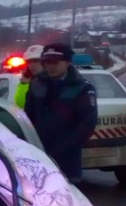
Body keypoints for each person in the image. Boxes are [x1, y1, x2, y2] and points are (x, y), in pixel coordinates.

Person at [24, 42, 97, 184]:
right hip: (39, 157)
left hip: (67, 162)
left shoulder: (82, 88)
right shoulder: (37, 84)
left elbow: (87, 124)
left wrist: (62, 149)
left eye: (55, 62)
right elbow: (28, 117)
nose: (50, 67)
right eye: (46, 62)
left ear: (67, 63)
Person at [14, 45, 44, 109]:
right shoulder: (30, 81)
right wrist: (24, 84)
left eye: (36, 60)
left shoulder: (54, 79)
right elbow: (21, 104)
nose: (32, 65)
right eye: (29, 62)